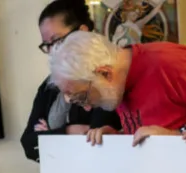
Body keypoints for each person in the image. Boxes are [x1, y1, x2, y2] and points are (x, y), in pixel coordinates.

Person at [49, 30, 186, 146]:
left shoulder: (167, 62)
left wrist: (179, 135)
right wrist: (117, 140)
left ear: (104, 73)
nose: (86, 108)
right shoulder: (117, 86)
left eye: (83, 97)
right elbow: (152, 130)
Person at [21, 0, 121, 161]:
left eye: (57, 40)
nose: (53, 50)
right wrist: (69, 131)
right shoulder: (49, 85)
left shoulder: (105, 78)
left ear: (83, 31)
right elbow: (28, 144)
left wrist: (49, 135)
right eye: (47, 45)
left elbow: (96, 141)